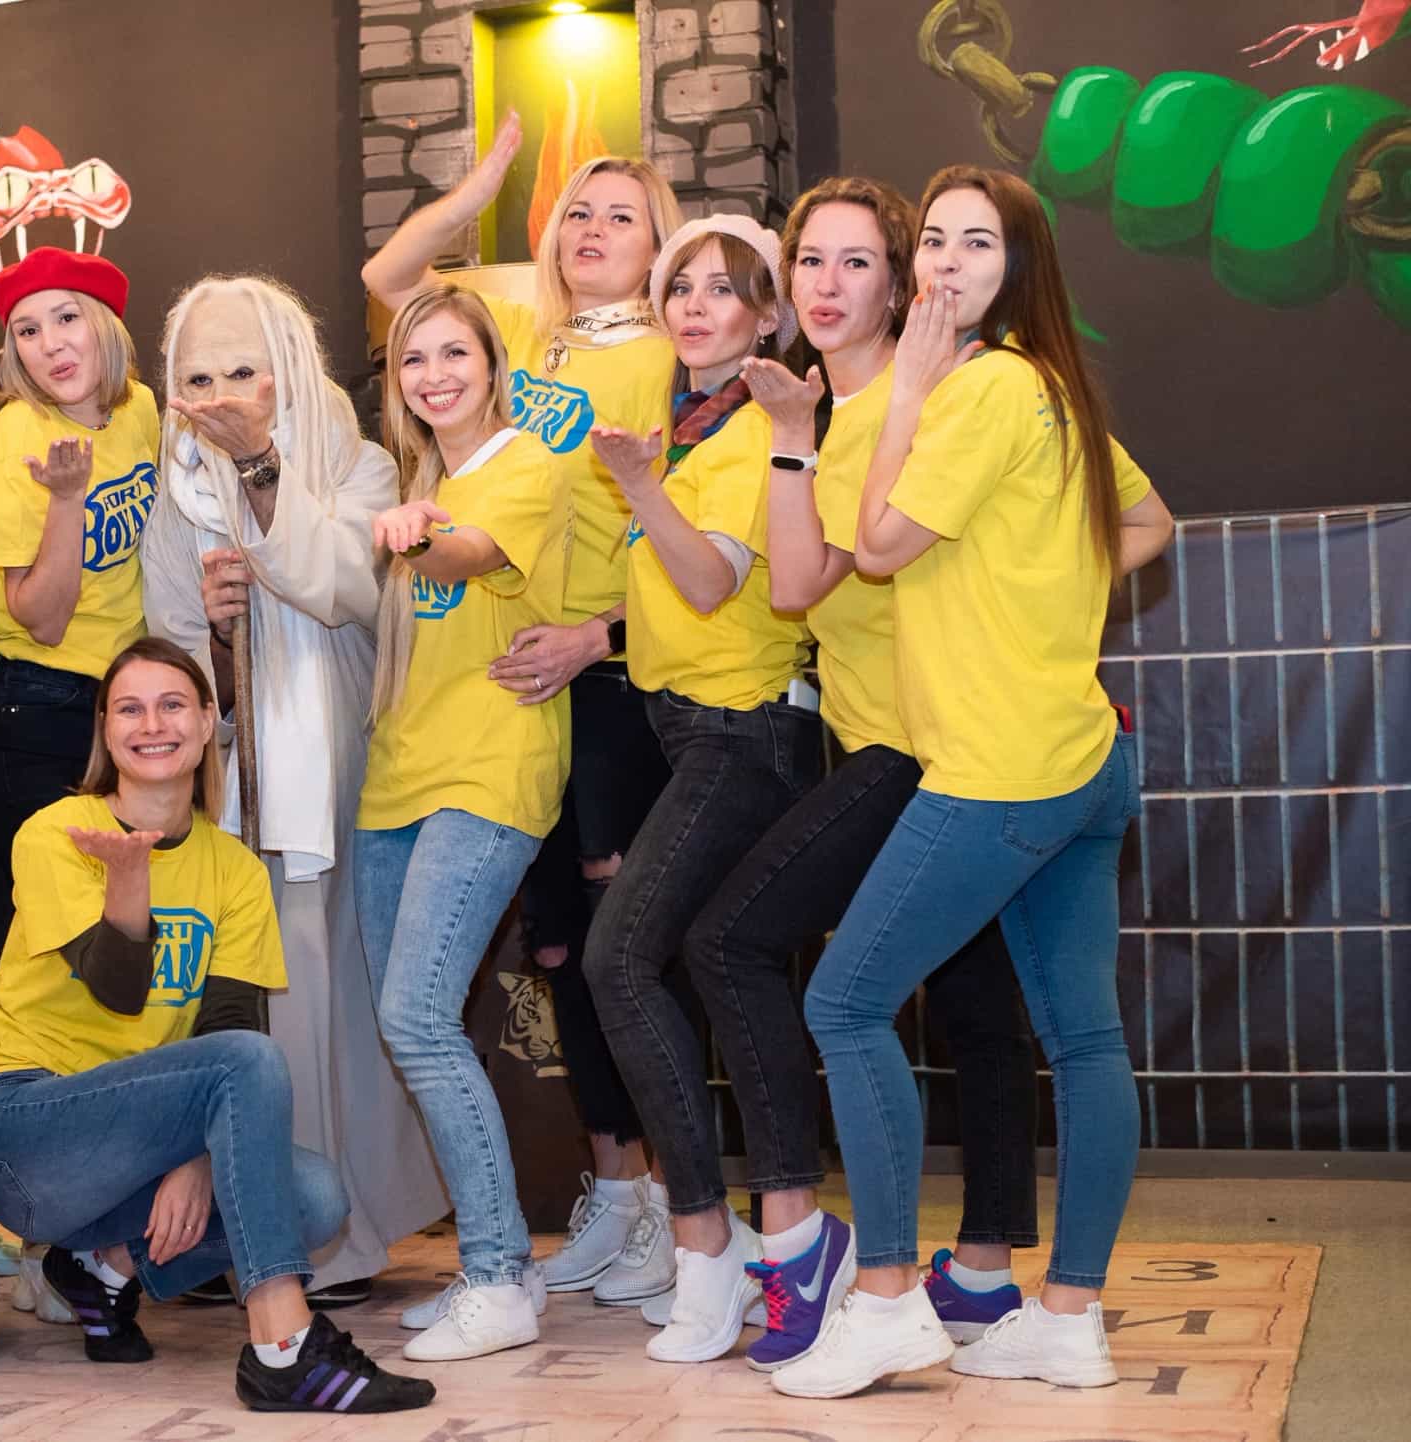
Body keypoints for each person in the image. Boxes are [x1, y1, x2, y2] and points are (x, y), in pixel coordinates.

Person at [771, 165, 1174, 1399]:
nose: (946, 261)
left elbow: (878, 544)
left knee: (844, 1002)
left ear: (1019, 266)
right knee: (1085, 1037)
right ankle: (1068, 1317)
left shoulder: (984, 388)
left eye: (977, 243)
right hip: (1080, 753)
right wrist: (1044, 581)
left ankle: (888, 1298)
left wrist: (907, 395)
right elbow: (1150, 522)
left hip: (1003, 767)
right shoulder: (1050, 387)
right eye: (935, 239)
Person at [653, 178, 1045, 1374]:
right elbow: (795, 587)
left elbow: (1127, 513)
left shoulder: (958, 390)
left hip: (940, 746)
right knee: (951, 992)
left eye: (856, 261)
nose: (827, 284)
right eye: (810, 261)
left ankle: (899, 1266)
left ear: (900, 283)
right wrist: (791, 434)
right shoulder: (814, 415)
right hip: (879, 740)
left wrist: (1036, 627)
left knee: (931, 990)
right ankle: (948, 1269)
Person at [363, 120, 685, 1303]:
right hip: (516, 654)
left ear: (660, 244)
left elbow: (698, 534)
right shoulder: (526, 336)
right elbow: (393, 282)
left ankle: (672, 1204)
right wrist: (480, 192)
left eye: (620, 215)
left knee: (617, 946)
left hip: (604, 665)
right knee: (553, 949)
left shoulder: (665, 354)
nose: (592, 230)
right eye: (577, 212)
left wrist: (598, 636)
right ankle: (617, 1187)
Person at [0, 638, 434, 1414]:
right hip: (24, 1132)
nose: (153, 725)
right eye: (130, 709)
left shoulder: (234, 870)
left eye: (173, 705)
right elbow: (119, 990)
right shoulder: (57, 832)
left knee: (315, 1197)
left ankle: (101, 1269)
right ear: (105, 730)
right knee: (247, 1070)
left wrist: (199, 1156)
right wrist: (129, 882)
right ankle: (283, 1347)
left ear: (210, 720)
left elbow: (231, 1025)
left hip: (140, 1141)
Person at [141, 274, 445, 1304]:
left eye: (244, 372)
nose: (220, 397)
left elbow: (349, 588)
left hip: (342, 788)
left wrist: (263, 474)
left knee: (328, 1004)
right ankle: (245, 1232)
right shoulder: (176, 495)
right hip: (229, 801)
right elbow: (172, 660)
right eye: (198, 379)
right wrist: (214, 629)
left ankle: (339, 1237)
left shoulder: (357, 465)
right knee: (245, 1012)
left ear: (291, 372)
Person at [579, 216, 826, 1362]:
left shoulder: (752, 432)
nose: (693, 303)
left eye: (723, 290)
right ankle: (771, 1241)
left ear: (766, 318)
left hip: (744, 732)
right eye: (680, 285)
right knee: (718, 963)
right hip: (689, 731)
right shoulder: (692, 429)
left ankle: (708, 1244)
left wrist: (637, 486)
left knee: (619, 958)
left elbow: (710, 581)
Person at [354, 285, 571, 1361]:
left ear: (494, 366)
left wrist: (418, 530)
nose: (434, 376)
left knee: (420, 1017)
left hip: (489, 771)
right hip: (396, 779)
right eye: (413, 360)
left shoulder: (522, 464)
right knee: (411, 1022)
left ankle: (496, 1273)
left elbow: (465, 555)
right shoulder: (418, 480)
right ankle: (497, 1267)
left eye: (454, 354)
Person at [0, 247, 161, 985]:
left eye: (66, 318)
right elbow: (41, 618)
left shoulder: (139, 409)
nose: (50, 345)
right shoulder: (19, 436)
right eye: (27, 330)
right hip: (42, 706)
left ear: (105, 323)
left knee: (134, 920)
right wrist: (67, 499)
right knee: (68, 951)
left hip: (127, 702)